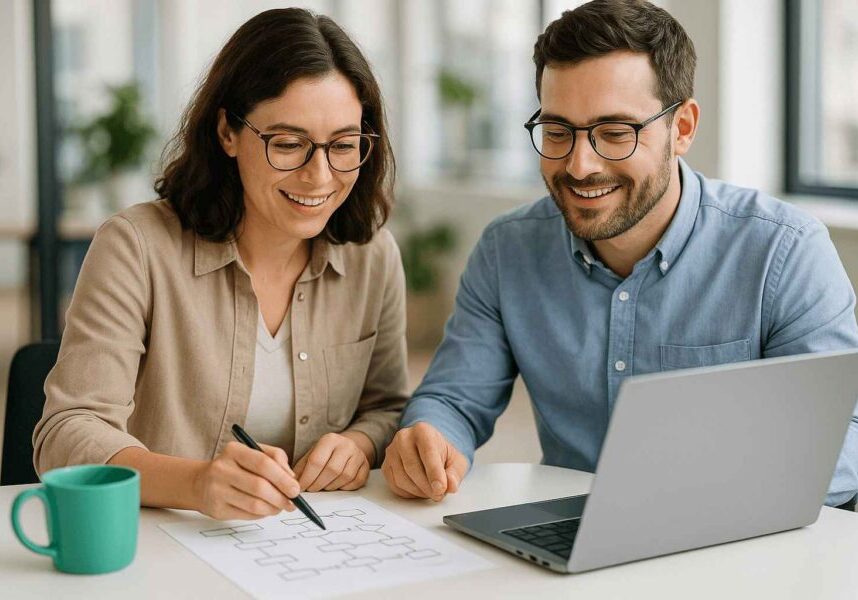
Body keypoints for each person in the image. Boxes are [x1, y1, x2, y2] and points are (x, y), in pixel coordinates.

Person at [382, 0, 858, 512]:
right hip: (572, 543)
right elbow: (454, 399)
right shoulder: (507, 250)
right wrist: (429, 438)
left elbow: (842, 446)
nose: (580, 165)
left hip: (733, 539)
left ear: (682, 129)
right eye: (558, 132)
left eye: (615, 133)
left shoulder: (782, 251)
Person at [34, 8, 408, 521]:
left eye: (343, 145)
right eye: (288, 144)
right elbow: (66, 431)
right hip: (161, 549)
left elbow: (388, 407)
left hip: (307, 553)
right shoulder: (136, 247)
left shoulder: (374, 256)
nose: (319, 176)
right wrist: (196, 483)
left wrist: (361, 443)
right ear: (228, 133)